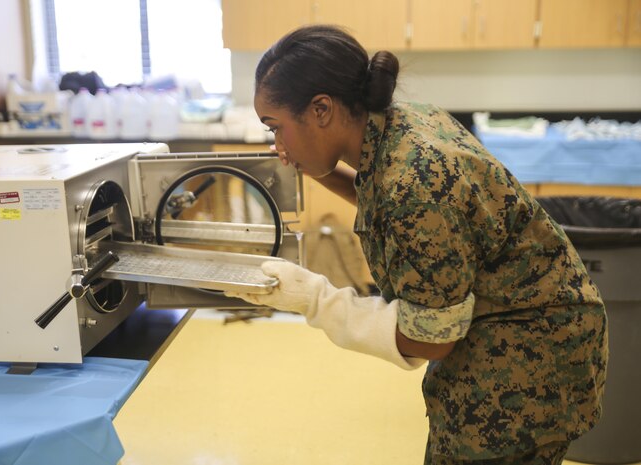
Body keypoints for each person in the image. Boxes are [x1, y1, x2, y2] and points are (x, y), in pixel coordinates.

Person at [224, 24, 608, 464]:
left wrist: (314, 299)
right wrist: (315, 167)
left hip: (527, 360)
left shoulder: (416, 177)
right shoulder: (396, 125)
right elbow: (386, 200)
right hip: (531, 323)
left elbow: (431, 339)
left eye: (276, 128)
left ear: (321, 110)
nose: (277, 144)